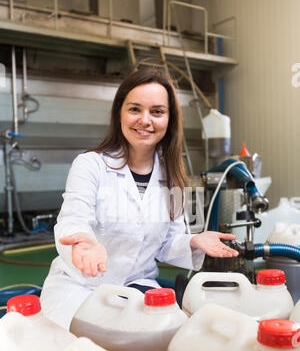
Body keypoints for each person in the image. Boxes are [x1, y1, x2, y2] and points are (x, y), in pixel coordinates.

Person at [40, 67, 239, 329]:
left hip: (138, 287)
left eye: (156, 111)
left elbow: (168, 243)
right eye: (135, 109)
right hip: (81, 288)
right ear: (119, 113)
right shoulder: (90, 165)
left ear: (169, 119)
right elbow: (74, 219)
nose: (145, 120)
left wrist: (193, 241)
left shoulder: (174, 176)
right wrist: (85, 243)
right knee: (85, 350)